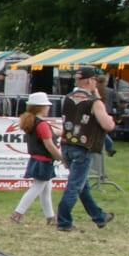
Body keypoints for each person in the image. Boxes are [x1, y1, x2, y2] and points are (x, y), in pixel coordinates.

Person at [55, 66, 115, 233]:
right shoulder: (95, 103)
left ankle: (99, 217)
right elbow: (107, 125)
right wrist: (110, 117)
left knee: (82, 186)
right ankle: (64, 222)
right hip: (84, 147)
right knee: (74, 186)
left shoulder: (67, 98)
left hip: (67, 145)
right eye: (94, 80)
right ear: (90, 80)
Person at [11, 92, 61, 225]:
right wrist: (61, 157)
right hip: (44, 160)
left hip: (36, 159)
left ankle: (50, 217)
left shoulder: (32, 122)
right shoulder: (42, 124)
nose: (48, 108)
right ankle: (18, 213)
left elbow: (52, 134)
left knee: (45, 190)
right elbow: (49, 145)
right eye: (46, 106)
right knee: (37, 188)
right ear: (41, 107)